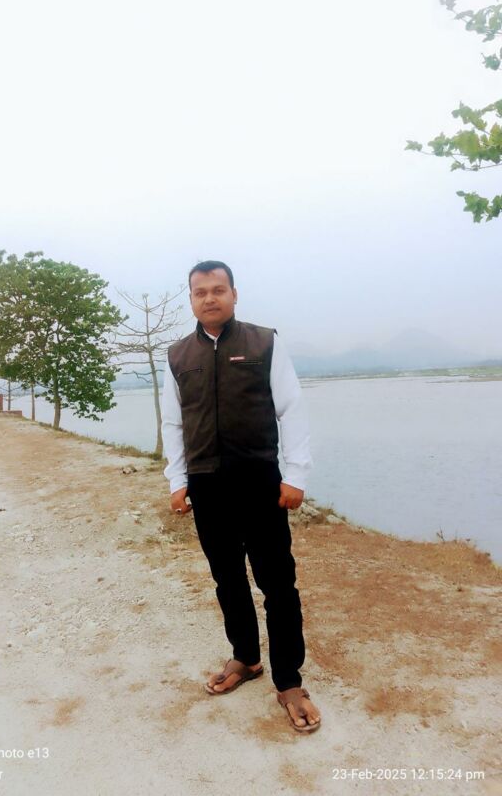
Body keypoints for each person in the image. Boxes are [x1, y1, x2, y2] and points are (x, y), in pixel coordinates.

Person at [161, 260, 322, 733]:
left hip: (259, 483)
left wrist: (295, 474)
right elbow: (173, 422)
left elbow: (291, 409)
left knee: (278, 584)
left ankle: (289, 681)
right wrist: (177, 480)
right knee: (227, 579)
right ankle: (246, 658)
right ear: (191, 299)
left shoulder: (264, 342)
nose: (209, 298)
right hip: (206, 484)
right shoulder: (177, 355)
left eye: (218, 289)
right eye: (200, 292)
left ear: (234, 294)